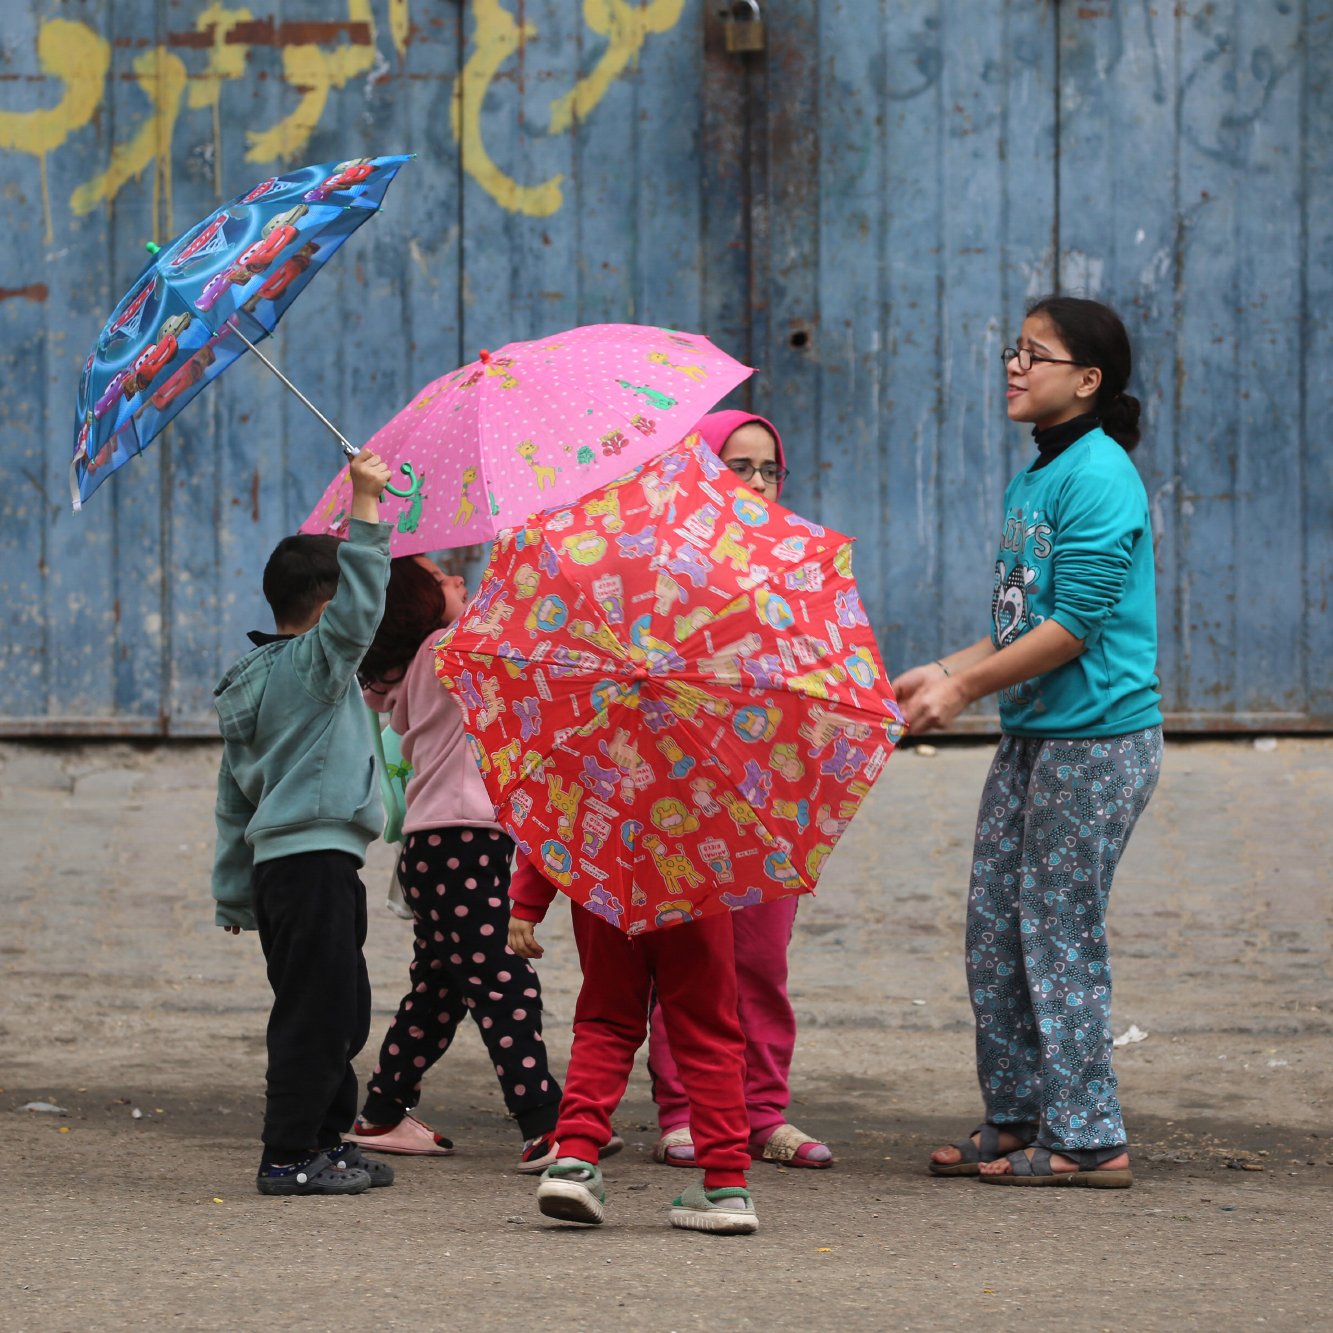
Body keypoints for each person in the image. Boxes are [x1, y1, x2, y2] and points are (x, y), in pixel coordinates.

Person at [897, 296, 1163, 1188]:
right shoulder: (1037, 475)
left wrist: (963, 689)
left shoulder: (1097, 475)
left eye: (1034, 355)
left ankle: (1089, 1138)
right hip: (1037, 734)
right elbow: (1021, 623)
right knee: (993, 927)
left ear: (1086, 381)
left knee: (1056, 931)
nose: (1014, 366)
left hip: (1097, 741)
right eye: (1013, 350)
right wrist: (938, 666)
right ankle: (1017, 1115)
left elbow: (1076, 625)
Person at [646, 411, 833, 1170]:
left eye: (767, 469)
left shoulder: (800, 562)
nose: (755, 481)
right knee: (693, 962)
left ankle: (762, 1110)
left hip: (772, 791)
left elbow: (829, 664)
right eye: (737, 465)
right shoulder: (667, 561)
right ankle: (685, 1108)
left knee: (761, 959)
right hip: (685, 793)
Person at [342, 555, 569, 1171]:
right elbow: (516, 616)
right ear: (419, 604)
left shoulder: (419, 663)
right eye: (442, 579)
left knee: (440, 990)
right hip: (464, 842)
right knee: (504, 981)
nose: (458, 580)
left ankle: (382, 1112)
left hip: (439, 848)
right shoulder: (450, 646)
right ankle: (545, 1126)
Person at [211, 447, 396, 1197]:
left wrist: (233, 890)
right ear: (323, 611)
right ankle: (286, 1155)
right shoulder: (317, 668)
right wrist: (366, 503)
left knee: (340, 1010)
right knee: (316, 1017)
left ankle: (325, 1143)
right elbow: (361, 607)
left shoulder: (253, 681)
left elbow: (233, 798)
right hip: (312, 865)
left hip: (290, 870)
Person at [508, 863, 759, 1234]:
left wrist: (528, 904)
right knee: (709, 1035)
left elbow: (554, 820)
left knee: (605, 1023)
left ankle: (575, 1161)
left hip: (607, 889)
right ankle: (725, 1185)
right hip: (697, 892)